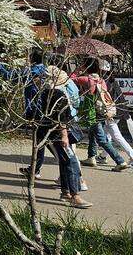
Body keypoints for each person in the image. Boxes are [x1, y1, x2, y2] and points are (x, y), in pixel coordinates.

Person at [35, 73, 92, 208]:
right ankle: (75, 195)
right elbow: (61, 118)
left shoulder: (45, 93)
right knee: (71, 161)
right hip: (59, 132)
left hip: (49, 131)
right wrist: (64, 135)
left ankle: (65, 192)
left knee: (64, 160)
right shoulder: (58, 95)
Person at [74, 60, 129, 172]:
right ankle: (91, 157)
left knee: (102, 139)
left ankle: (120, 161)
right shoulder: (101, 80)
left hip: (92, 113)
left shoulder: (86, 79)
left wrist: (77, 70)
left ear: (86, 67)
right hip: (102, 112)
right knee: (92, 134)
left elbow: (70, 79)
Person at [103, 63, 133, 167]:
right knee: (108, 134)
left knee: (116, 136)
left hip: (111, 112)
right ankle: (103, 156)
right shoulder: (112, 80)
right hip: (119, 111)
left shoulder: (104, 82)